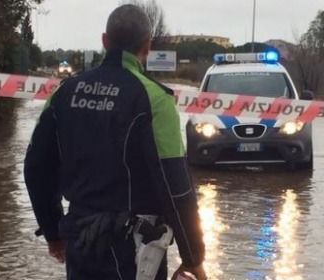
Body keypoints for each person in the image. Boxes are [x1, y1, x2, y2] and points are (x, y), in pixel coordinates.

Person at [24, 4, 206, 280]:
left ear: (105, 41)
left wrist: (52, 232)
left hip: (80, 242)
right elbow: (176, 188)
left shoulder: (64, 93)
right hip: (136, 252)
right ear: (147, 46)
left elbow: (36, 168)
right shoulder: (155, 100)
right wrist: (193, 256)